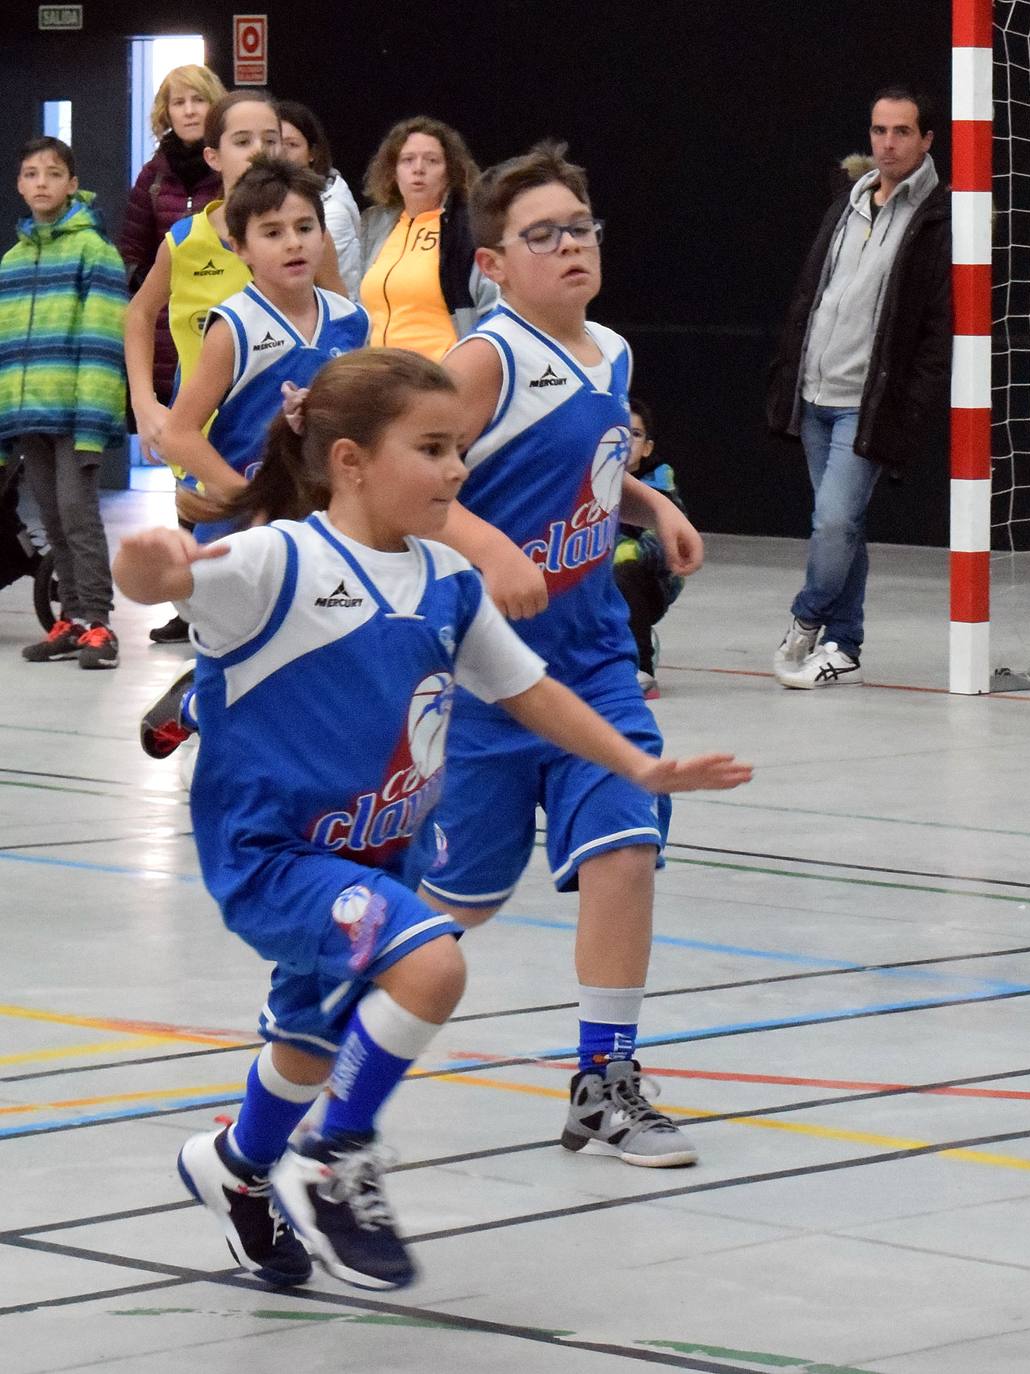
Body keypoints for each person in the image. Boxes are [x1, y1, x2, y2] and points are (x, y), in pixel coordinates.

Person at [112, 349, 751, 1291]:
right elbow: (152, 581)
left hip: (381, 855)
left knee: (309, 1040)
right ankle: (336, 1159)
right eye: (433, 447)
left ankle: (236, 1167)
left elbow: (530, 689)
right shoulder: (275, 561)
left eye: (461, 447)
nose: (458, 468)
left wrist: (638, 763)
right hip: (278, 858)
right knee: (432, 960)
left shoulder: (448, 580)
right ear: (350, 461)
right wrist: (147, 557)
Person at [418, 144, 709, 1167]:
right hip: (485, 682)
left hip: (589, 658)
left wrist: (650, 499)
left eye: (580, 228)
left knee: (628, 842)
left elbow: (582, 463)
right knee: (452, 910)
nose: (570, 247)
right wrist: (490, 545)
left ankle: (607, 1080)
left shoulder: (614, 353)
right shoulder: (481, 363)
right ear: (493, 264)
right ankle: (330, 1036)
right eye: (542, 235)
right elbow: (411, 490)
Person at [124, 90, 343, 644]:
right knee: (220, 597)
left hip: (294, 451)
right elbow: (139, 314)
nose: (258, 151)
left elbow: (347, 333)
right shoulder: (186, 240)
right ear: (214, 155)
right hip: (208, 444)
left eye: (270, 139)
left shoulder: (308, 240)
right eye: (242, 140)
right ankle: (202, 689)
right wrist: (147, 404)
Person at [765, 85, 951, 689]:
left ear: (926, 140)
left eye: (901, 132)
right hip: (815, 394)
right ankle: (845, 644)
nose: (888, 143)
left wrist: (910, 407)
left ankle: (807, 619)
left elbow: (934, 331)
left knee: (834, 523)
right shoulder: (847, 203)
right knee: (842, 525)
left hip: (864, 406)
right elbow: (811, 296)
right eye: (878, 131)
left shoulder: (940, 218)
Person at [0, 136, 127, 668]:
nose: (42, 183)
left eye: (53, 174)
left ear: (73, 185)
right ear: (20, 185)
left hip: (77, 418)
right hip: (30, 416)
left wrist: (93, 423)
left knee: (78, 518)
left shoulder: (94, 252)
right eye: (31, 174)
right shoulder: (11, 261)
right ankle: (71, 621)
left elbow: (101, 345)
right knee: (52, 520)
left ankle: (98, 623)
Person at [117, 64, 226, 415]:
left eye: (199, 100)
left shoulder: (232, 166)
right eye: (179, 102)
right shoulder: (152, 175)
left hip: (226, 318)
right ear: (167, 112)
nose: (190, 110)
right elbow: (132, 254)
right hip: (168, 331)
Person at [357, 117, 497, 359]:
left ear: (450, 172)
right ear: (393, 172)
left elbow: (492, 308)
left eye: (432, 161)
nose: (418, 168)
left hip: (443, 376)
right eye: (407, 160)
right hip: (380, 377)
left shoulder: (468, 227)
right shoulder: (374, 224)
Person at [613, 399, 686, 698]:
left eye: (636, 434)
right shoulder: (589, 479)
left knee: (625, 567)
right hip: (594, 580)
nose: (627, 442)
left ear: (647, 448)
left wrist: (626, 551)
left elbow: (666, 546)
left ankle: (642, 668)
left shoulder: (660, 483)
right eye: (619, 433)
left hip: (649, 584)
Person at [276, 100, 364, 296]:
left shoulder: (333, 211)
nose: (280, 153)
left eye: (291, 144)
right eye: (273, 142)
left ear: (312, 153)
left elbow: (330, 293)